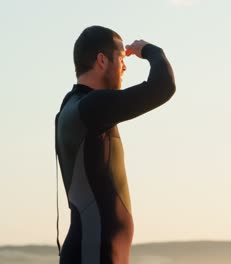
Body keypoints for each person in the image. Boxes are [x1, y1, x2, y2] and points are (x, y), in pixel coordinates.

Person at [55, 25, 176, 264]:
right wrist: (150, 50)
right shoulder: (91, 107)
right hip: (93, 253)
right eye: (121, 57)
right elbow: (163, 86)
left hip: (91, 251)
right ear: (101, 60)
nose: (124, 66)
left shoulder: (73, 106)